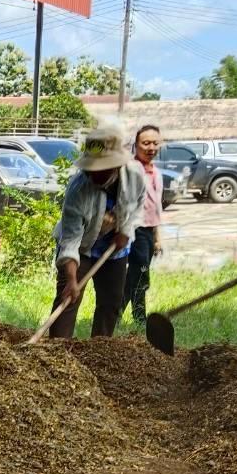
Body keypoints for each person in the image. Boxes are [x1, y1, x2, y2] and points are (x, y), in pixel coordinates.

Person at [48, 122, 146, 339]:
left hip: (115, 249)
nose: (94, 173)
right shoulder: (78, 189)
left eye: (101, 168)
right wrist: (72, 279)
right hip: (82, 248)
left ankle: (100, 349)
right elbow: (71, 239)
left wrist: (126, 231)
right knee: (68, 299)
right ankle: (55, 352)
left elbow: (139, 203)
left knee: (111, 302)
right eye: (91, 168)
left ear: (116, 165)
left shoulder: (135, 177)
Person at [122, 125, 164, 325]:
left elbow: (156, 207)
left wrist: (158, 238)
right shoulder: (131, 168)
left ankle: (119, 314)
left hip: (148, 232)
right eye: (145, 143)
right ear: (136, 145)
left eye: (155, 143)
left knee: (136, 275)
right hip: (134, 230)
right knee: (139, 275)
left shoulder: (156, 172)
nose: (151, 147)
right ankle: (138, 318)